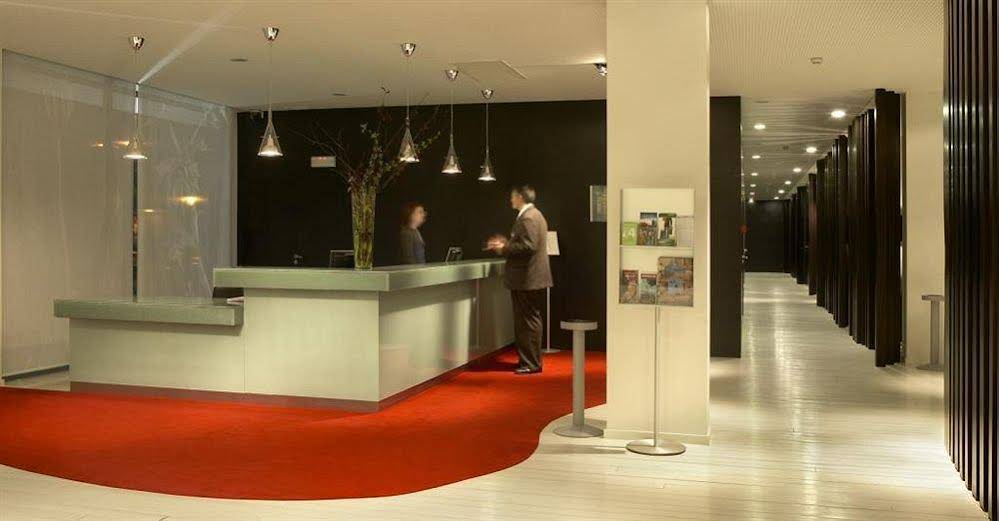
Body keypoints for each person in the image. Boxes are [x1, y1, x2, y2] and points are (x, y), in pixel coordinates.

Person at [487, 185, 553, 374]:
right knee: (530, 319)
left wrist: (504, 247)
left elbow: (528, 246)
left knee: (527, 321)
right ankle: (531, 361)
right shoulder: (536, 215)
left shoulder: (528, 217)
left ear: (520, 197)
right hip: (531, 278)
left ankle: (530, 363)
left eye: (513, 196)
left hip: (527, 278)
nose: (511, 200)